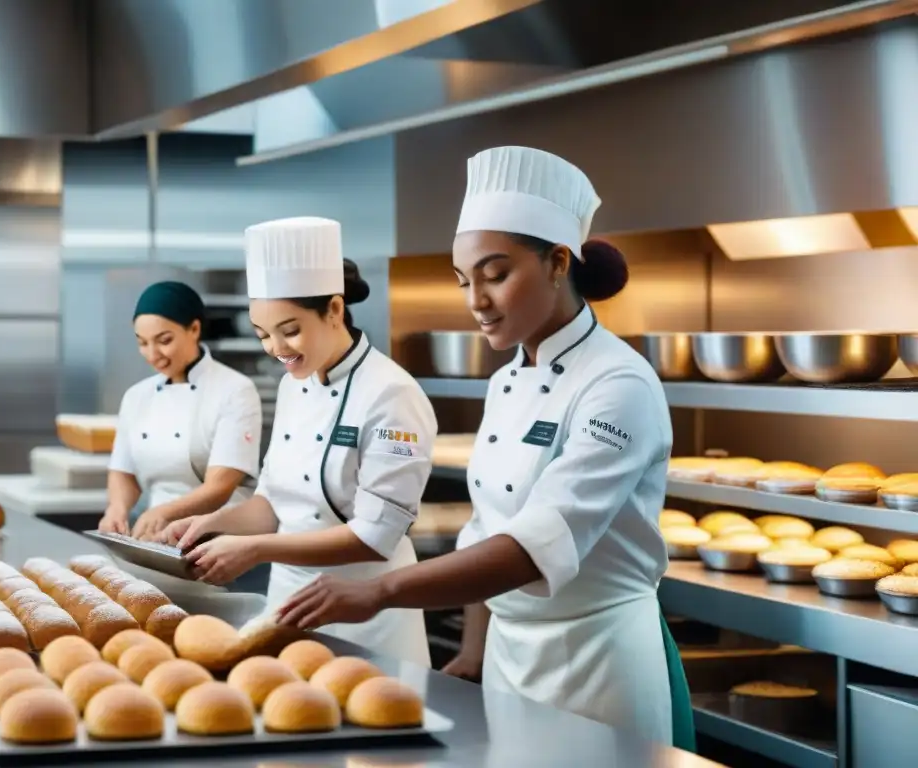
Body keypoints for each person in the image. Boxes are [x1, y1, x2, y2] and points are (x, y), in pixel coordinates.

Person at [275, 147, 696, 750]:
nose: (475, 299)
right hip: (508, 655)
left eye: (495, 274)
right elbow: (489, 525)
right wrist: (474, 649)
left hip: (598, 661)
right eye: (464, 280)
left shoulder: (618, 384)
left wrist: (380, 590)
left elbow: (532, 547)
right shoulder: (504, 381)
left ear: (557, 262)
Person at [160, 216, 435, 667]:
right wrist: (212, 524)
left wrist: (254, 550)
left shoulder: (392, 394)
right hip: (287, 607)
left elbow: (375, 536)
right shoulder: (293, 384)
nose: (275, 348)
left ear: (333, 309)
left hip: (366, 618)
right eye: (263, 334)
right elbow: (273, 503)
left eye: (289, 330)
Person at [97, 281, 263, 541]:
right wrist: (117, 508)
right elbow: (123, 470)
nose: (152, 355)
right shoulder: (137, 396)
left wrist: (164, 512)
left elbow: (220, 487)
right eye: (142, 343)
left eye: (164, 341)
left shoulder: (235, 390)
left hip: (220, 536)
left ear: (194, 329)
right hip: (157, 537)